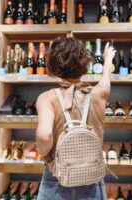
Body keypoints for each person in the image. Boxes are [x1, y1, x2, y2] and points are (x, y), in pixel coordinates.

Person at [36, 37, 116, 200]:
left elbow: (44, 136)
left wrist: (48, 158)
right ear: (85, 64)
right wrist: (107, 62)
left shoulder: (47, 98)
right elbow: (105, 81)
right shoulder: (99, 93)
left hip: (57, 177)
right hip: (91, 177)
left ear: (52, 65)